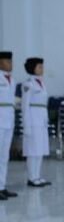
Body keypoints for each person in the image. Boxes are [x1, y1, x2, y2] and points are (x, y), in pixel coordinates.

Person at [21, 58, 52, 187]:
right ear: (32, 68)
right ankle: (31, 177)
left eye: (42, 66)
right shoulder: (28, 84)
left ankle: (37, 175)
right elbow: (25, 105)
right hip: (33, 120)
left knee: (40, 150)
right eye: (39, 67)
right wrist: (26, 125)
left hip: (41, 120)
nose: (42, 69)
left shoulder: (42, 83)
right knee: (32, 151)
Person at [0, 51, 17, 201]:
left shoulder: (12, 79)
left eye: (11, 61)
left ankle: (2, 186)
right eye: (7, 61)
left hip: (8, 119)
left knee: (4, 156)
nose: (10, 64)